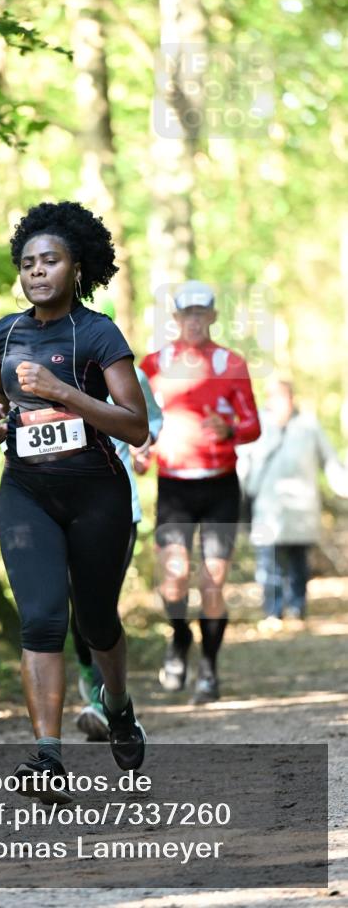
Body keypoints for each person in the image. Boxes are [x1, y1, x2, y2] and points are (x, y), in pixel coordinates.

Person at [0, 201, 149, 802]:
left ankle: (119, 707)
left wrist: (64, 393)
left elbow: (135, 425)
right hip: (26, 492)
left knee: (96, 621)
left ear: (76, 267)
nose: (37, 272)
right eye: (28, 263)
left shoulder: (99, 333)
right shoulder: (5, 332)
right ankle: (47, 758)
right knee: (42, 619)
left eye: (50, 260)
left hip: (97, 495)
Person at [138, 280, 261, 704]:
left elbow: (253, 426)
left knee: (213, 582)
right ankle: (178, 638)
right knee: (173, 581)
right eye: (185, 314)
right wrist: (140, 452)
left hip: (221, 486)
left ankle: (208, 670)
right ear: (175, 319)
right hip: (173, 486)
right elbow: (139, 421)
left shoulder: (231, 362)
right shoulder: (153, 365)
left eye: (200, 313)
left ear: (211, 316)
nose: (193, 321)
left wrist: (231, 429)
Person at [73, 365, 163, 741]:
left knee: (99, 604)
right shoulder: (42, 363)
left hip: (119, 509)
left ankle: (103, 699)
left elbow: (152, 420)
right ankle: (89, 674)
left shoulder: (125, 371)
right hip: (57, 511)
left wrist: (143, 446)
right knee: (72, 602)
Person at [239, 377, 348, 628]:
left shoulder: (309, 426)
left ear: (292, 399)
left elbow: (330, 462)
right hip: (267, 509)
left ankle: (297, 607)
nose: (279, 403)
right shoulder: (257, 425)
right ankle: (273, 611)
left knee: (299, 562)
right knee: (268, 564)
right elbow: (243, 464)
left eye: (283, 397)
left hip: (302, 509)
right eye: (273, 397)